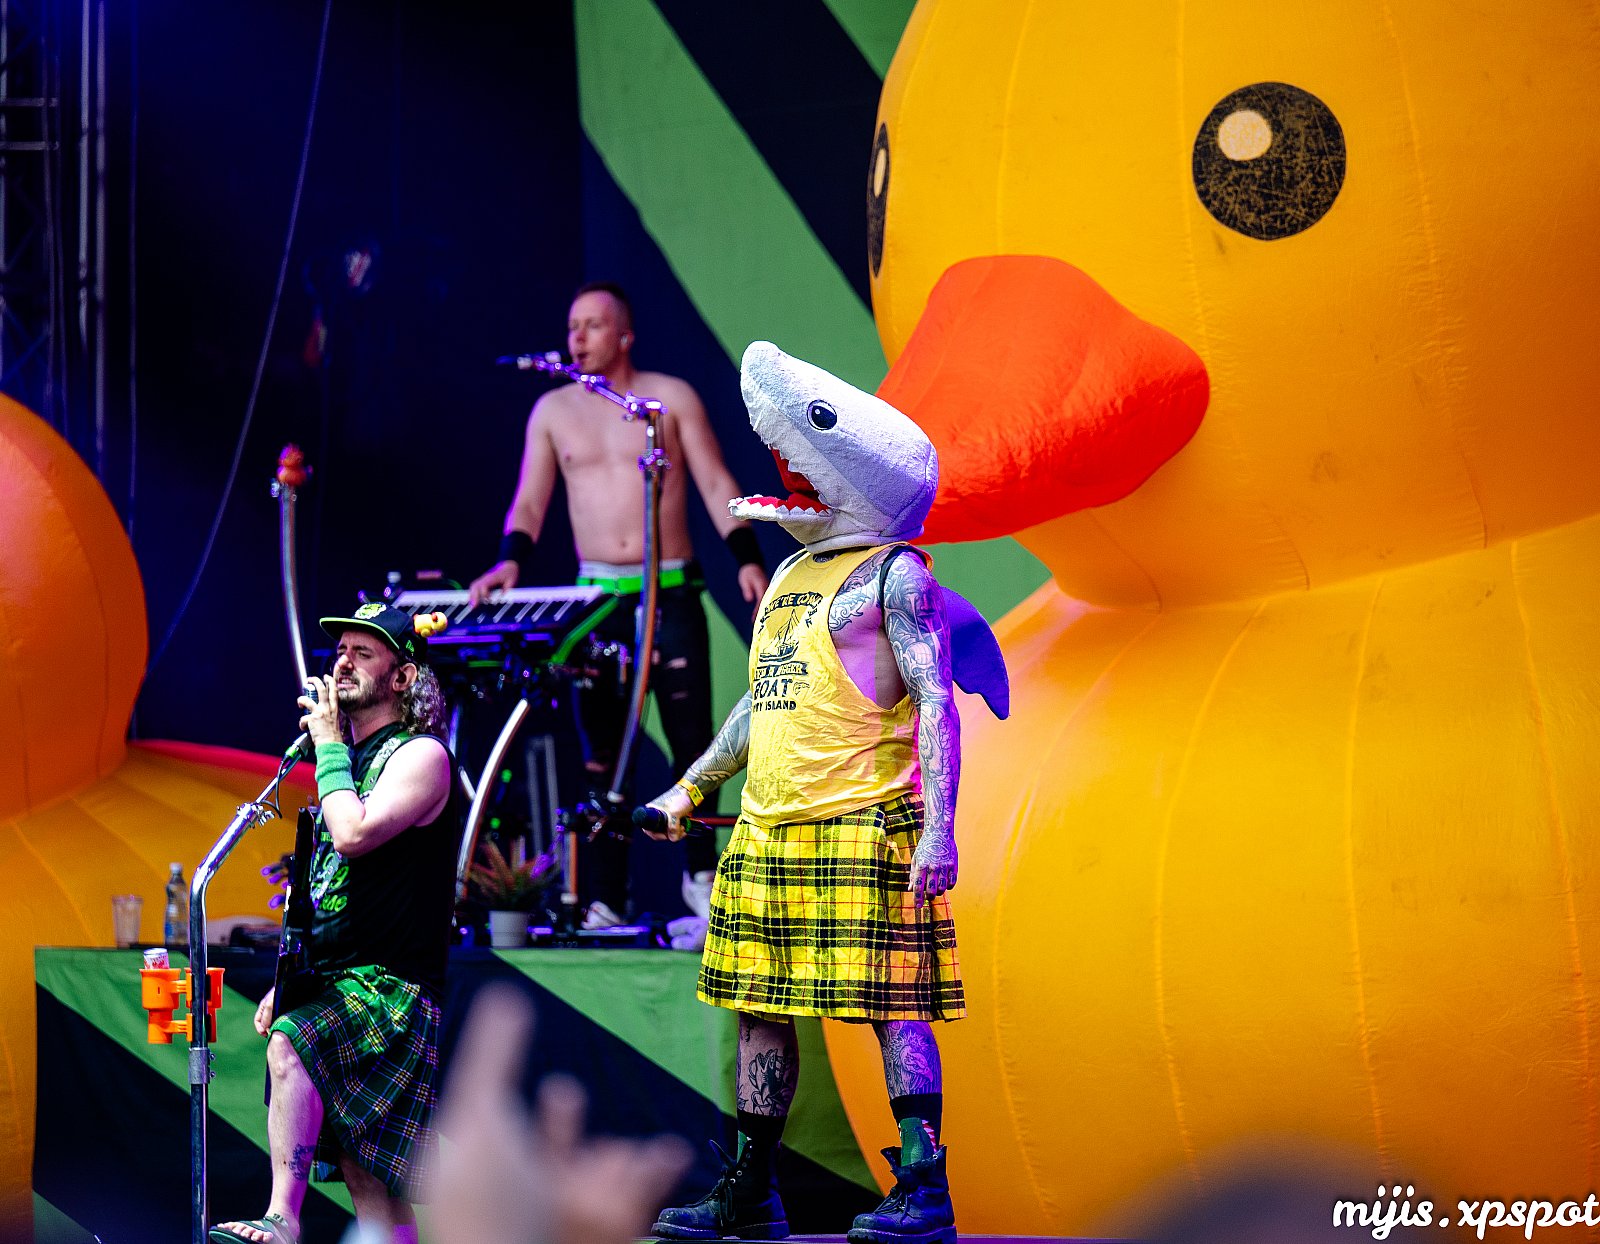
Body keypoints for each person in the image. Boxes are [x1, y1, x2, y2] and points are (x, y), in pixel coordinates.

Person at [643, 342, 985, 1244]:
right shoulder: (792, 576)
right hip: (769, 831)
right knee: (760, 1011)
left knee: (891, 1006)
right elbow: (762, 703)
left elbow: (937, 703)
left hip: (863, 822)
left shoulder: (897, 575)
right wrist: (690, 787)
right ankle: (751, 1193)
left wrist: (939, 830)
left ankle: (925, 1186)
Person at [468, 281, 769, 926]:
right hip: (599, 598)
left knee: (693, 742)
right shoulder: (552, 411)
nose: (577, 337)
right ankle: (605, 896)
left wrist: (747, 558)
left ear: (625, 335)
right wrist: (510, 560)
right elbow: (530, 500)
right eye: (572, 326)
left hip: (671, 586)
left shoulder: (669, 399)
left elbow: (714, 479)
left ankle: (702, 881)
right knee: (604, 750)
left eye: (593, 325)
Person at [210, 602, 461, 1244]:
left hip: (393, 987)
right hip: (341, 979)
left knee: (290, 1043)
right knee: (365, 1176)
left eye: (363, 654)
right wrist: (288, 982)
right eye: (341, 651)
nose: (342, 663)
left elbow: (352, 834)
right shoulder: (348, 764)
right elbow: (329, 892)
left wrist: (327, 746)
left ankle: (282, 1219)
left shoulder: (422, 756)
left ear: (402, 677)